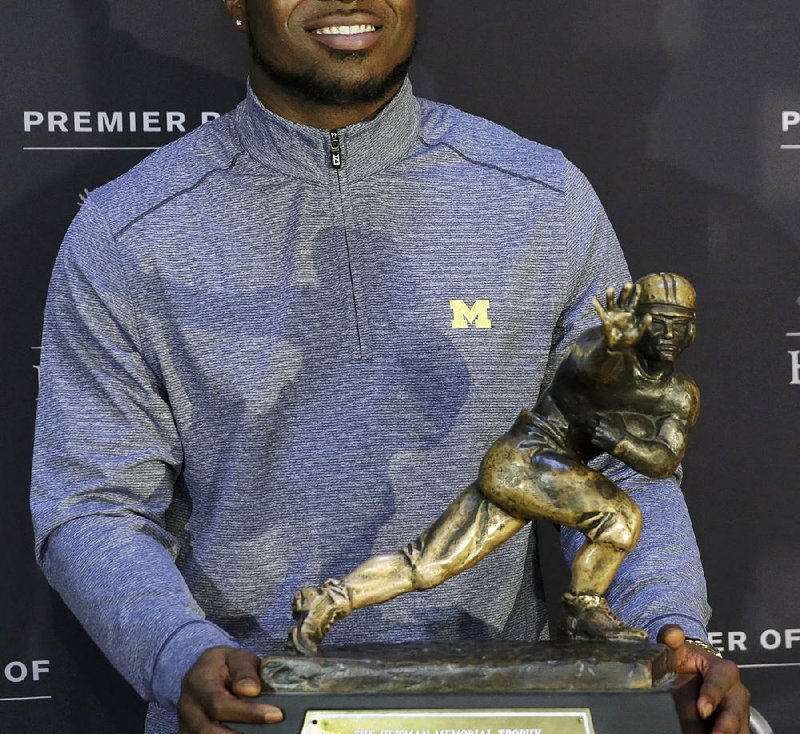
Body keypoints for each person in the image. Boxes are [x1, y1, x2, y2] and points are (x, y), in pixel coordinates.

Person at [31, 0, 754, 734]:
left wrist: (670, 639)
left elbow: (618, 457)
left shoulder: (538, 197)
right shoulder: (130, 232)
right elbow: (88, 505)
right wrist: (184, 663)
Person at [289, 274, 700, 652]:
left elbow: (663, 461)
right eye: (658, 323)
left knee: (428, 566)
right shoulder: (603, 352)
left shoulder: (679, 394)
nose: (667, 335)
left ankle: (327, 601)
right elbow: (593, 370)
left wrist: (621, 441)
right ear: (637, 323)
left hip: (541, 475)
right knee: (620, 518)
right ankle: (582, 611)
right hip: (523, 460)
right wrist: (613, 345)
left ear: (692, 331)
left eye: (677, 326)